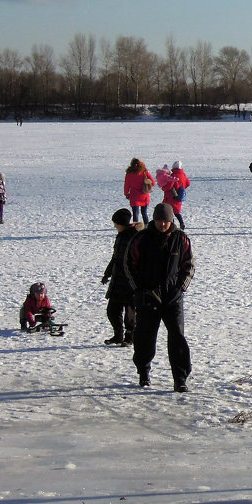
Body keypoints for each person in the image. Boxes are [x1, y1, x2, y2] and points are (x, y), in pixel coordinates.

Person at [124, 203, 194, 391]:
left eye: (166, 221)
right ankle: (144, 371)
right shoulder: (141, 238)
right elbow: (129, 264)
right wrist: (140, 290)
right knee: (145, 337)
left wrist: (179, 289)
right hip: (147, 296)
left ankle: (180, 378)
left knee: (177, 337)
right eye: (159, 220)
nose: (162, 224)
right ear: (153, 220)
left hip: (172, 297)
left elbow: (188, 265)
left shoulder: (181, 238)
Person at [101, 208, 140, 345]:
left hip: (130, 281)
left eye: (116, 224)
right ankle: (118, 335)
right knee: (112, 310)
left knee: (129, 312)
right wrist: (107, 273)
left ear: (122, 224)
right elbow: (115, 258)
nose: (115, 226)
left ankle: (130, 337)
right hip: (117, 279)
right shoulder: (120, 236)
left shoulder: (134, 237)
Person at [157, 161, 190, 230]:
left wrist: (163, 187)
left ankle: (172, 226)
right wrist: (181, 188)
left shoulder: (173, 176)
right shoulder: (183, 175)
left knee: (169, 212)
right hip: (179, 196)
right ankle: (181, 223)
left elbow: (168, 187)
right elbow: (188, 183)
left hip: (171, 197)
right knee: (177, 211)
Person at [123, 158, 155, 225]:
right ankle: (147, 227)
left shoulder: (129, 173)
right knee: (144, 213)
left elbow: (126, 185)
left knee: (135, 214)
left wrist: (126, 193)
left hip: (134, 196)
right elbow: (153, 182)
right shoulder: (144, 172)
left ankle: (136, 228)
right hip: (144, 195)